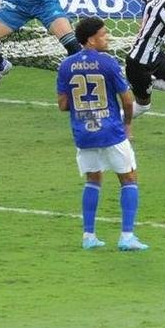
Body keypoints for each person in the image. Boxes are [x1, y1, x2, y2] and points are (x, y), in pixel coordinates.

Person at [56, 16, 147, 251]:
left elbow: (63, 104)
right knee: (129, 178)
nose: (108, 37)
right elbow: (127, 100)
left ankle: (88, 236)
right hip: (110, 131)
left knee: (93, 180)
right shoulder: (108, 63)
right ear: (91, 39)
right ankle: (127, 237)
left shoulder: (66, 65)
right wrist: (127, 124)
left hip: (83, 133)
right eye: (103, 34)